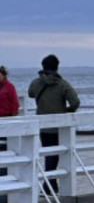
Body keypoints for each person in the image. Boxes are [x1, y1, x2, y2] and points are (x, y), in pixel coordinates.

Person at [28, 54, 80, 193]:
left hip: (42, 125)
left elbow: (31, 94)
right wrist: (68, 111)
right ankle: (49, 184)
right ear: (57, 67)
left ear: (43, 66)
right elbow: (75, 102)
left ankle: (50, 184)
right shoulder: (62, 84)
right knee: (55, 155)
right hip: (59, 126)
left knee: (48, 153)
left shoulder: (36, 82)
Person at [0, 66, 18, 203]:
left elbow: (14, 105)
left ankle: (6, 182)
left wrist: (14, 122)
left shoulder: (9, 87)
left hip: (6, 120)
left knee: (5, 151)